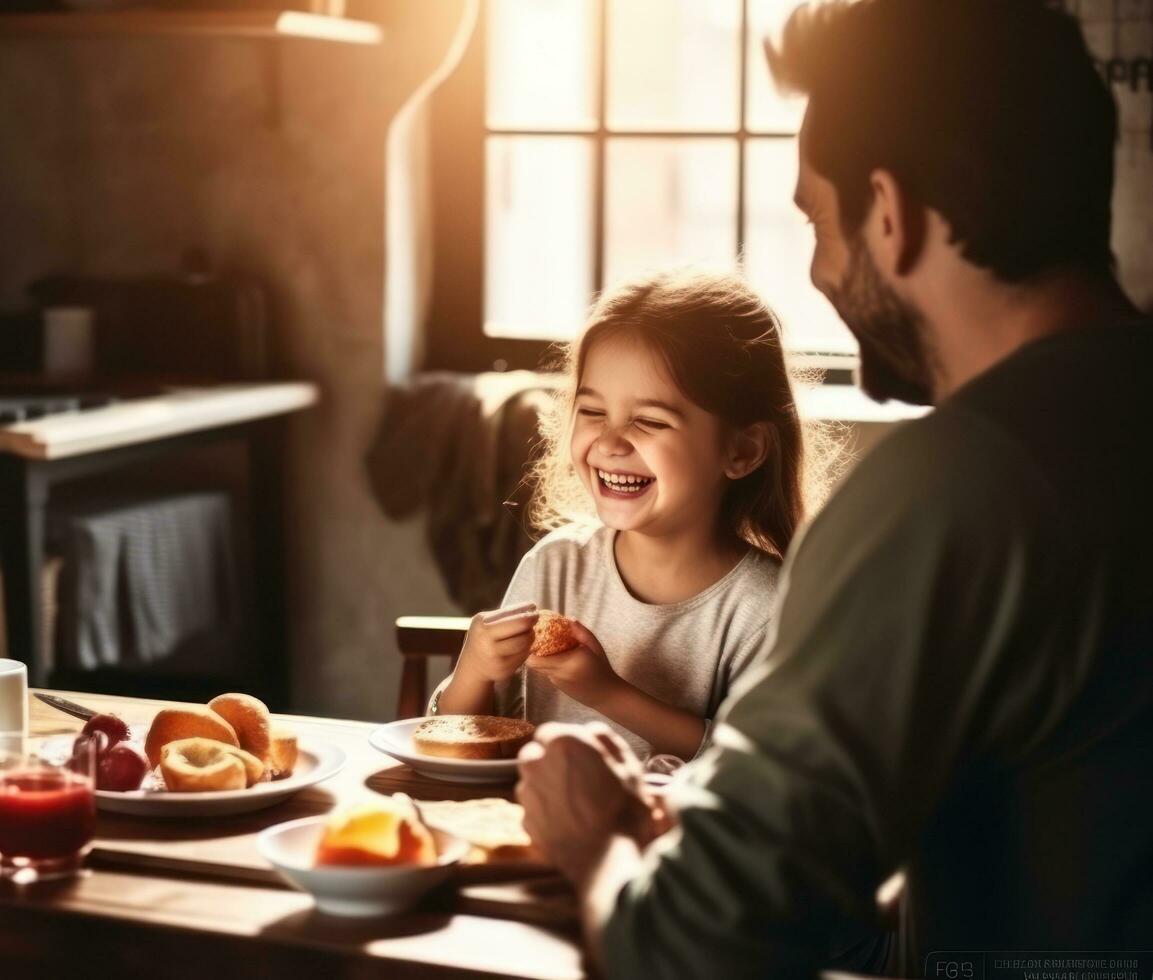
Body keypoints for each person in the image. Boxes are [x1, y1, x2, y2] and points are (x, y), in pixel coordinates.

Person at [515, 1, 1153, 976]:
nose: (816, 265)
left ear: (889, 213)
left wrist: (594, 836)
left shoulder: (951, 492)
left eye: (817, 218)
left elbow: (688, 944)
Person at [433, 271, 816, 762]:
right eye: (592, 412)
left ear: (742, 449)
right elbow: (454, 738)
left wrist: (607, 693)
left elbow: (758, 767)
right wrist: (474, 669)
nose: (610, 444)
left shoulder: (765, 609)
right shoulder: (555, 566)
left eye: (650, 421)